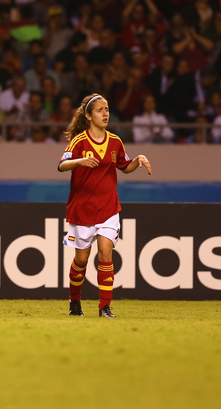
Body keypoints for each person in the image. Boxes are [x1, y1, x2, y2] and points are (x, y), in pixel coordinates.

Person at [57, 94, 152, 318]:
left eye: (107, 109)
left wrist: (137, 160)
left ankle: (105, 307)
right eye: (100, 110)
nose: (105, 113)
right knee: (81, 259)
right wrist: (79, 161)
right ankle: (75, 302)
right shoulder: (79, 141)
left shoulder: (115, 141)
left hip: (108, 207)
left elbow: (124, 166)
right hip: (82, 208)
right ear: (88, 116)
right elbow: (61, 165)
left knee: (106, 254)